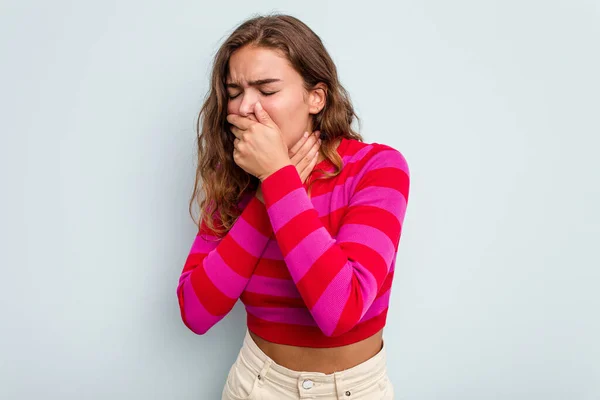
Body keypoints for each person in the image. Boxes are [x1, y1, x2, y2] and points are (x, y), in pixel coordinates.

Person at [176, 13, 410, 400]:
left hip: (353, 390)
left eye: (266, 89)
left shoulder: (377, 168)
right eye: (234, 91)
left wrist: (277, 179)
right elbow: (196, 312)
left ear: (315, 97)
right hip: (256, 386)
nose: (245, 107)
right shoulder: (233, 179)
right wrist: (268, 191)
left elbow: (341, 311)